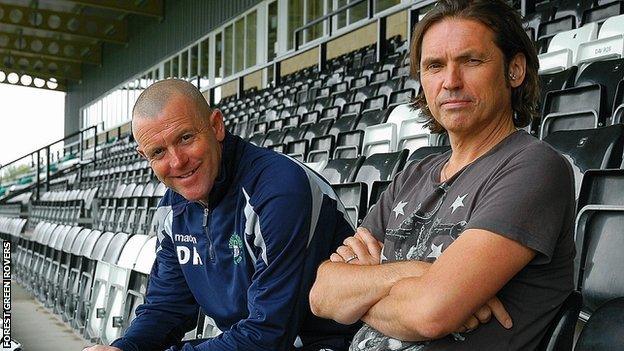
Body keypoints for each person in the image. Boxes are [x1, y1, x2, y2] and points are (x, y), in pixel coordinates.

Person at [309, 0, 576, 350]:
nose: (450, 81)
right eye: (434, 66)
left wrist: (361, 295)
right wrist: (417, 272)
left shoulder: (533, 167)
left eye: (471, 61)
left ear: (515, 70)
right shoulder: (412, 175)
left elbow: (430, 313)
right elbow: (322, 294)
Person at [84, 79, 357, 351]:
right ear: (145, 156)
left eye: (186, 137)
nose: (177, 162)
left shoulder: (279, 189)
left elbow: (268, 334)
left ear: (216, 126)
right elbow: (166, 307)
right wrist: (125, 347)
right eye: (158, 152)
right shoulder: (173, 207)